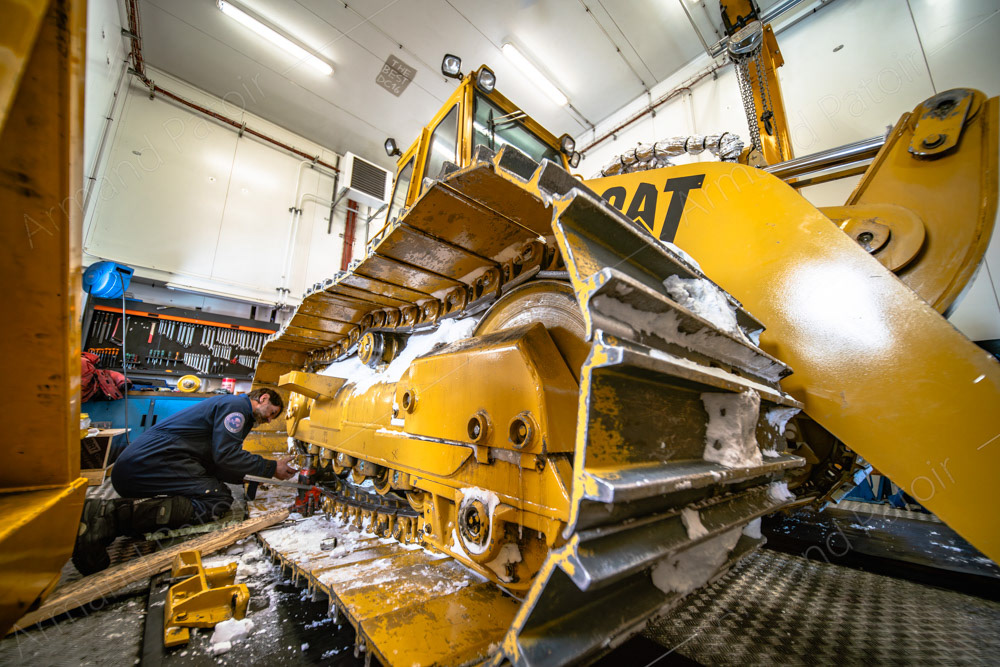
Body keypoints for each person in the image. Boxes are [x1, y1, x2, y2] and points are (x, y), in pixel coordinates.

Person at [73, 388, 296, 574]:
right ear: (263, 397)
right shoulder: (236, 408)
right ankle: (109, 517)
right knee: (216, 499)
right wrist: (271, 467)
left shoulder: (230, 406)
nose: (268, 420)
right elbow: (225, 455)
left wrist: (251, 476)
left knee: (212, 490)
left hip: (146, 465)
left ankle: (105, 522)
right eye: (271, 413)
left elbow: (216, 462)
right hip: (150, 464)